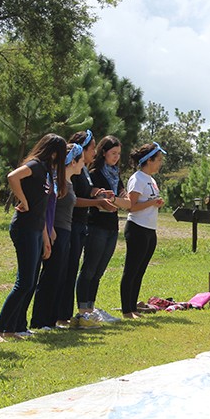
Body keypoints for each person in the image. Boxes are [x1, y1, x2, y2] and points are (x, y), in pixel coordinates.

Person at [0, 134, 66, 341]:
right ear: (53, 153)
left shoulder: (48, 172)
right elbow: (12, 177)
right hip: (24, 228)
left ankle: (13, 328)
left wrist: (45, 239)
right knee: (24, 282)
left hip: (36, 229)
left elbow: (42, 209)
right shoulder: (36, 165)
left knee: (30, 281)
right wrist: (23, 200)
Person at [58, 130, 117, 329]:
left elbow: (84, 191)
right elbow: (73, 198)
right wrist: (97, 202)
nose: (94, 152)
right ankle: (64, 315)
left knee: (74, 270)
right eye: (92, 148)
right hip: (71, 223)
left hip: (80, 225)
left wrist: (97, 192)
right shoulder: (74, 169)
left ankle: (72, 315)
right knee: (70, 272)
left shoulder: (82, 170)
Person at [75, 135, 131, 323]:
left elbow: (127, 203)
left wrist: (114, 199)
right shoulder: (95, 173)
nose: (116, 157)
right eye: (113, 153)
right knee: (89, 269)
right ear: (103, 152)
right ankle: (83, 310)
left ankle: (91, 309)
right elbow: (98, 200)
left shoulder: (116, 174)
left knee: (99, 272)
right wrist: (113, 200)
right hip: (96, 225)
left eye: (119, 154)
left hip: (112, 227)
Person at [31, 143, 86, 330]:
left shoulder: (68, 182)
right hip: (57, 231)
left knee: (60, 277)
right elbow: (47, 208)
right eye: (81, 160)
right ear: (73, 162)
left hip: (66, 231)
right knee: (50, 276)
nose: (84, 164)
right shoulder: (57, 182)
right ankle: (40, 320)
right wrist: (50, 230)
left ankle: (51, 319)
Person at [120, 142, 166, 319]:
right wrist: (152, 203)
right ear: (149, 160)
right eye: (158, 159)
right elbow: (131, 206)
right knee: (131, 270)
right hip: (137, 228)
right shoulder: (138, 178)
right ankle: (126, 310)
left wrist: (156, 203)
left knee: (140, 271)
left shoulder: (151, 180)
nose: (160, 163)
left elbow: (148, 202)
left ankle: (133, 308)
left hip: (150, 229)